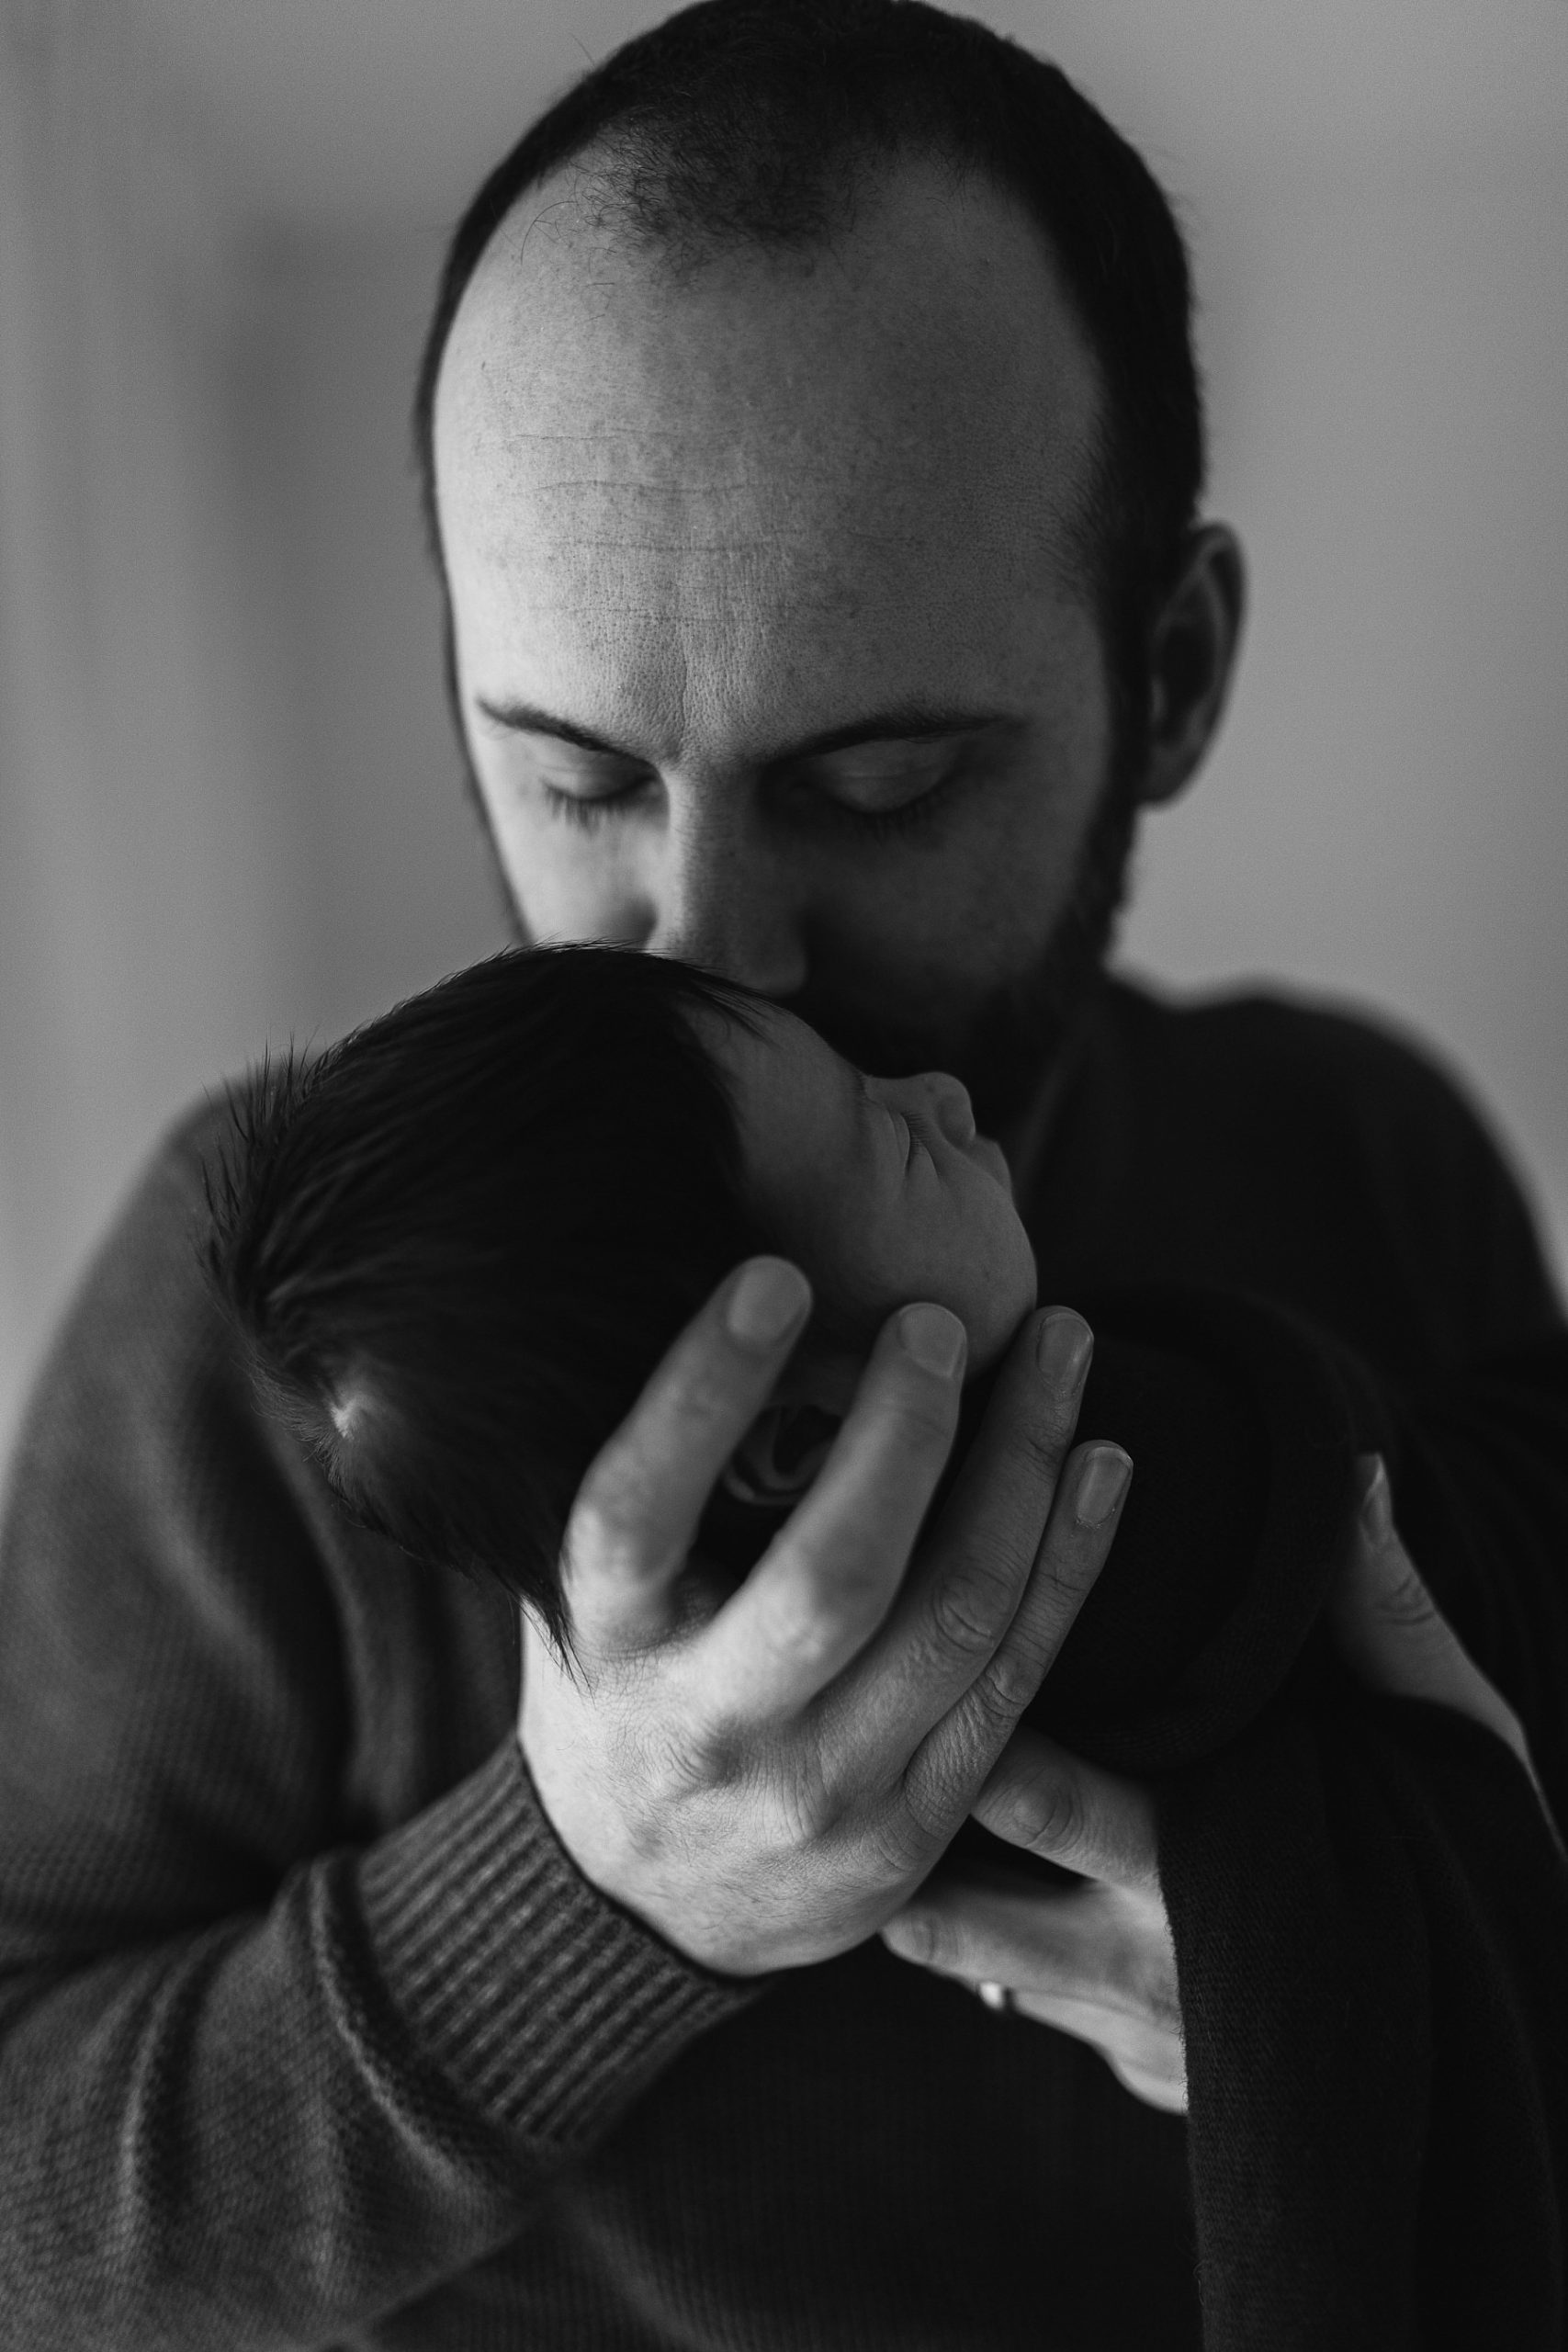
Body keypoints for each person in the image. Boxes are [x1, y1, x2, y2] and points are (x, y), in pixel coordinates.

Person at [1, 3, 1563, 2346]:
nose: (700, 950)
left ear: (1171, 674)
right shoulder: (271, 1326)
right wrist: (575, 1897)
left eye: (876, 781)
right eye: (576, 773)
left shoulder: (1358, 1158)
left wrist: (1373, 2008)